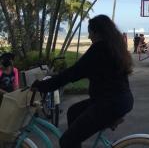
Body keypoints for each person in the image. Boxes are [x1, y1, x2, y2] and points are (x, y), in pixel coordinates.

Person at [32, 14, 134, 148]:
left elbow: (72, 73)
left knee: (66, 141)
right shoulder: (113, 48)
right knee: (73, 112)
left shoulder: (99, 50)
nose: (89, 36)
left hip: (110, 104)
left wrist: (42, 86)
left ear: (97, 32)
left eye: (90, 32)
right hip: (118, 100)